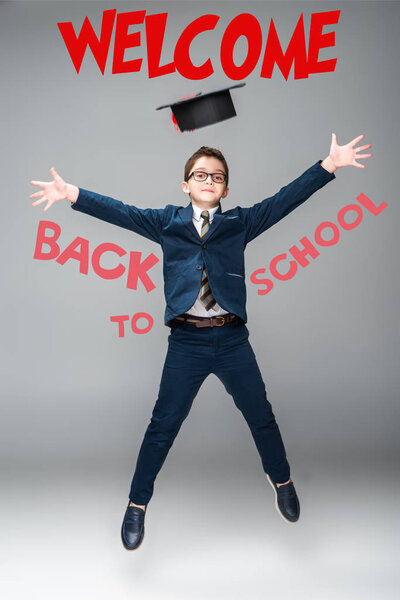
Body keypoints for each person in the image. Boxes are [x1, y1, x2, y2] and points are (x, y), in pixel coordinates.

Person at [30, 133, 372, 551]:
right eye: (200, 174)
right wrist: (72, 193)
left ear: (226, 189)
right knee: (162, 426)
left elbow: (285, 201)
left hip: (231, 339)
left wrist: (329, 165)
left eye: (217, 176)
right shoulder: (167, 222)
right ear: (185, 184)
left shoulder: (239, 223)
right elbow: (119, 212)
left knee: (261, 416)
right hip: (186, 343)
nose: (208, 180)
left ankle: (281, 480)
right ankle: (137, 504)